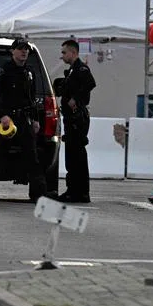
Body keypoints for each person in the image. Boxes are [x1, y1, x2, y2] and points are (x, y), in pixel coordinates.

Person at [0, 38, 47, 206]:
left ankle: (38, 195)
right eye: (20, 49)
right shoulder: (4, 70)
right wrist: (2, 116)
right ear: (13, 51)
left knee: (32, 157)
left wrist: (35, 119)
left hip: (24, 118)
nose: (24, 52)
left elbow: (32, 98)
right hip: (8, 119)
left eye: (26, 49)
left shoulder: (29, 72)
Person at [54, 39, 96, 203]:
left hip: (77, 118)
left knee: (77, 155)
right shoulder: (72, 70)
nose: (62, 56)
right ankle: (73, 190)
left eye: (64, 52)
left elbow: (90, 84)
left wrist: (76, 100)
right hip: (71, 118)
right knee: (72, 155)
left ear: (73, 52)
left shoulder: (81, 68)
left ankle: (80, 192)